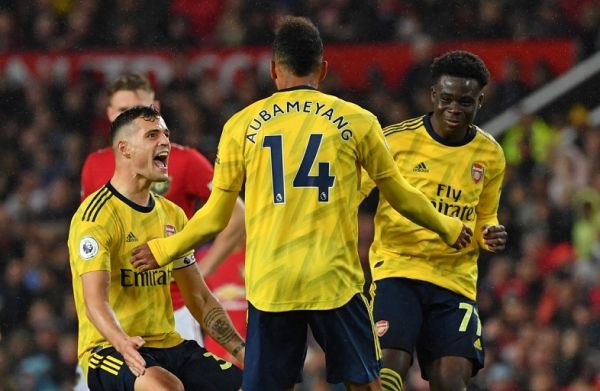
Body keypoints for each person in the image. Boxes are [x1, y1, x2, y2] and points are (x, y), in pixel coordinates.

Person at [130, 17, 472, 391]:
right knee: (365, 384)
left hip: (271, 284)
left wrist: (165, 248)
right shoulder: (358, 121)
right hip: (333, 281)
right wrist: (449, 226)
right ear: (323, 69)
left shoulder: (241, 126)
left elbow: (215, 218)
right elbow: (401, 195)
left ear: (274, 70)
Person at [68, 105, 244, 390]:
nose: (165, 142)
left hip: (170, 345)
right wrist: (123, 343)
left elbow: (198, 297)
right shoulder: (96, 217)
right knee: (165, 388)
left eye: (166, 134)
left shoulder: (172, 215)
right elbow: (95, 302)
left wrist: (241, 351)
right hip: (109, 350)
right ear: (124, 149)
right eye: (152, 135)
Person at [360, 51, 507, 391]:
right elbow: (353, 193)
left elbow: (486, 216)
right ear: (432, 96)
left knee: (450, 380)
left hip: (455, 280)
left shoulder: (491, 154)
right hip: (398, 269)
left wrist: (490, 234)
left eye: (465, 101)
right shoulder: (394, 141)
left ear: (480, 101)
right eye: (447, 99)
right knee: (389, 369)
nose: (454, 108)